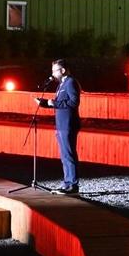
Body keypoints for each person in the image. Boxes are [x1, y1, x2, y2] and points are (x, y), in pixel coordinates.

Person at [36, 58, 82, 194]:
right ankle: (67, 183)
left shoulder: (70, 82)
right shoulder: (61, 84)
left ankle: (73, 185)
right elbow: (59, 102)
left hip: (68, 124)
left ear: (62, 70)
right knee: (64, 156)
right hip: (61, 124)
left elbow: (74, 102)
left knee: (69, 154)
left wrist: (53, 103)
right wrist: (44, 103)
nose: (53, 74)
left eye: (55, 71)